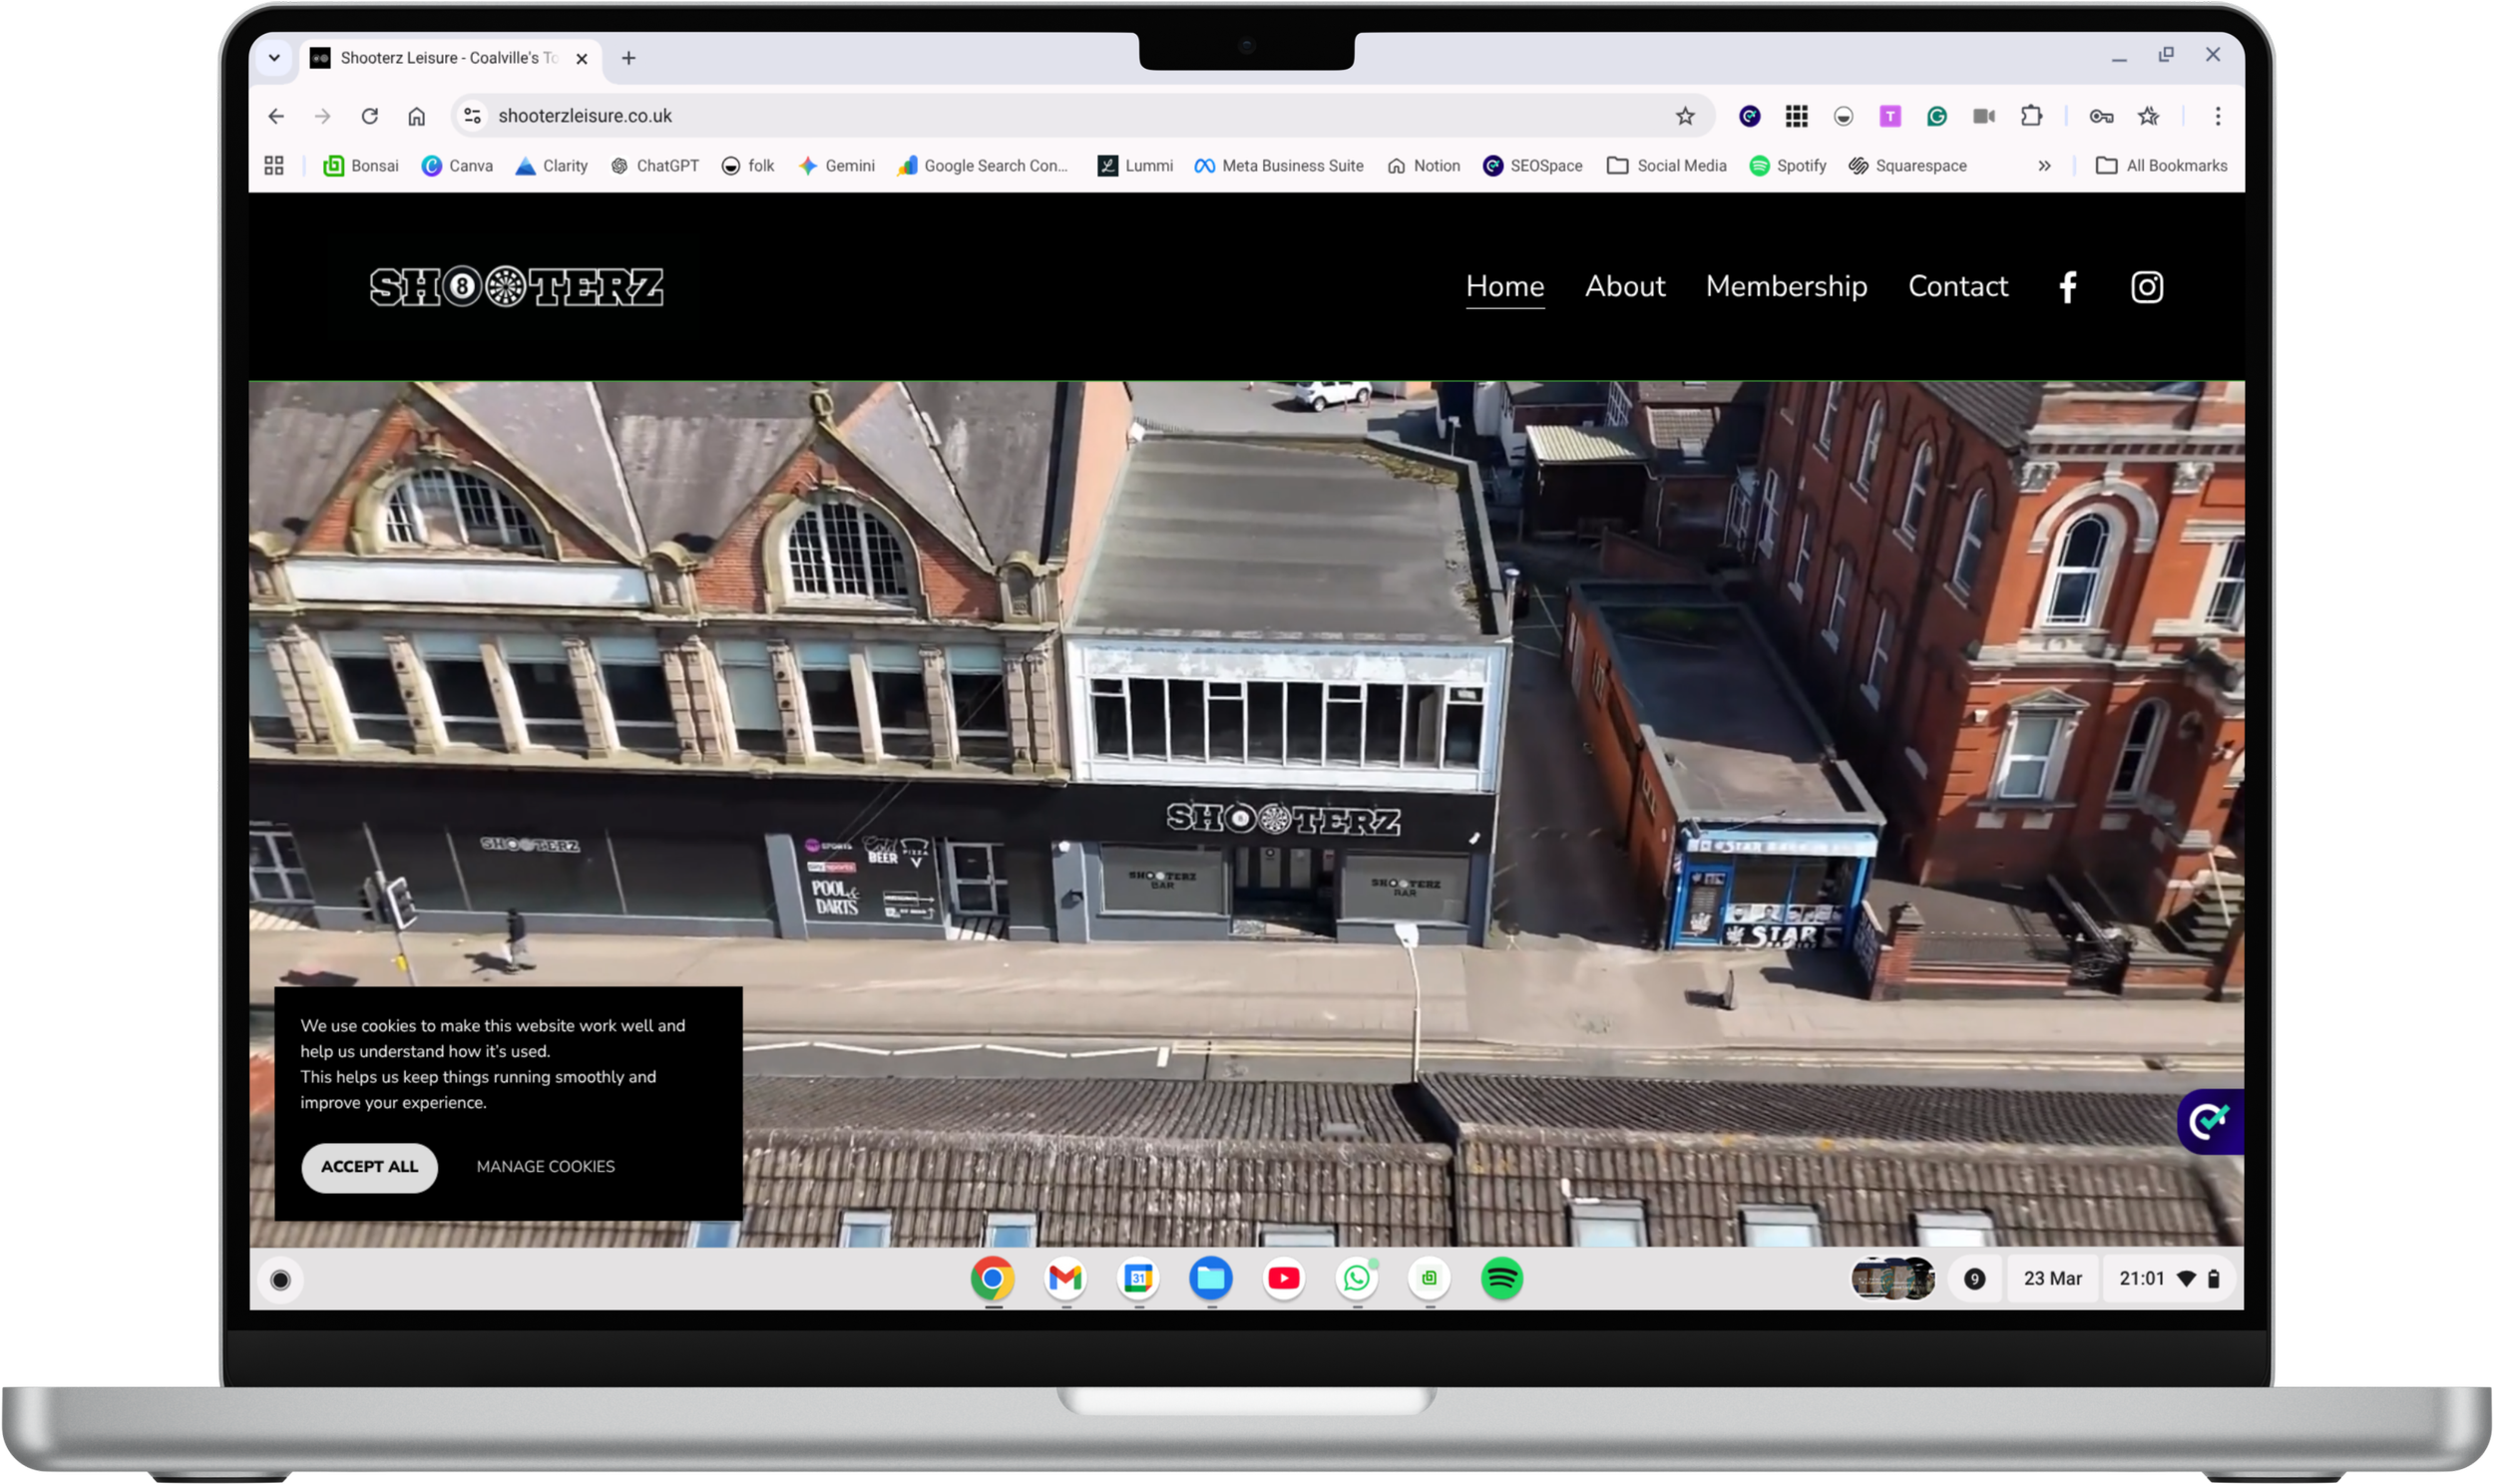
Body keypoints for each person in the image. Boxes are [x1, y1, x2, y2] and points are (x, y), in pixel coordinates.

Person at [501, 909, 535, 973]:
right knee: (523, 951)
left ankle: (514, 967)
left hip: (517, 940)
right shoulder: (521, 917)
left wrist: (510, 940)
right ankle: (531, 963)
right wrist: (511, 921)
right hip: (523, 938)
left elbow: (515, 935)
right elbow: (517, 921)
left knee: (514, 953)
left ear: (511, 914)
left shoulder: (513, 925)